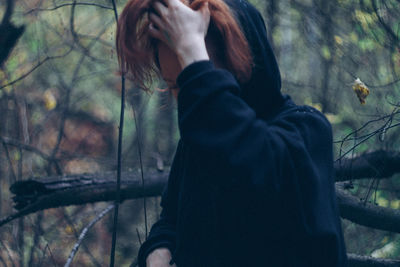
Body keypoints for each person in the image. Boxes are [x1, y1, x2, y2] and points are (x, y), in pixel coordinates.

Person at [116, 0, 349, 266]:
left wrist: (191, 50)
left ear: (246, 66)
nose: (189, 96)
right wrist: (158, 248)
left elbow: (255, 168)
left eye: (198, 76)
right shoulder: (198, 143)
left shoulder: (306, 131)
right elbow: (173, 219)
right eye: (174, 85)